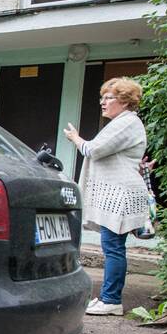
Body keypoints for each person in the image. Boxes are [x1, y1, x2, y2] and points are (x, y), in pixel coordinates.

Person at [63, 77, 151, 316]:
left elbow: (93, 150)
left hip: (119, 195)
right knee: (113, 247)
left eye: (109, 97)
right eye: (102, 97)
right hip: (117, 193)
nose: (103, 102)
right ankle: (107, 297)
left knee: (113, 248)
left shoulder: (127, 123)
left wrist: (75, 138)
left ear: (124, 101)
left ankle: (111, 300)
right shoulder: (122, 123)